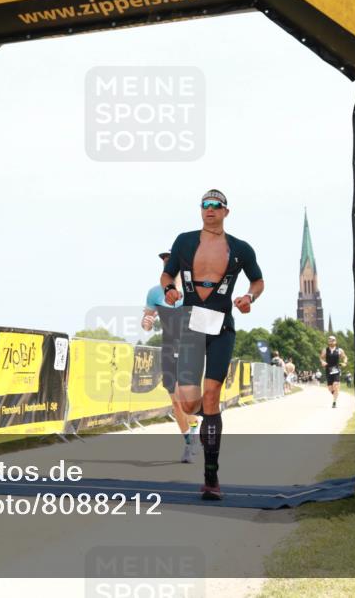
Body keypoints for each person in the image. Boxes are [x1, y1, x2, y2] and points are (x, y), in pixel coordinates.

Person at [162, 190, 264, 500]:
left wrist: (249, 297)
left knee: (211, 397)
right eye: (205, 205)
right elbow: (167, 274)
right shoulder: (184, 241)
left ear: (225, 212)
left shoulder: (241, 248)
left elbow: (258, 281)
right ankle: (200, 424)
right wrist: (169, 290)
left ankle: (211, 476)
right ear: (200, 210)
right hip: (191, 325)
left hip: (222, 327)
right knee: (189, 403)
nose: (210, 210)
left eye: (216, 206)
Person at [142, 251, 200, 462]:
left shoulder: (192, 291)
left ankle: (194, 430)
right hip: (168, 349)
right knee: (175, 403)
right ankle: (189, 440)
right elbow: (146, 322)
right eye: (165, 263)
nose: (168, 266)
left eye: (172, 262)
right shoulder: (154, 293)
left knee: (183, 398)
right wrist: (147, 323)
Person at [320, 335, 347, 408]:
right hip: (328, 369)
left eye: (332, 340)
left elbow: (345, 357)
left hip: (336, 369)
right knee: (330, 388)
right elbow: (321, 358)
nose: (331, 341)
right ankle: (336, 393)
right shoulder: (325, 350)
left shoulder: (339, 350)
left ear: (335, 341)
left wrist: (344, 362)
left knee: (335, 384)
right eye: (329, 340)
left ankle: (334, 402)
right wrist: (322, 362)